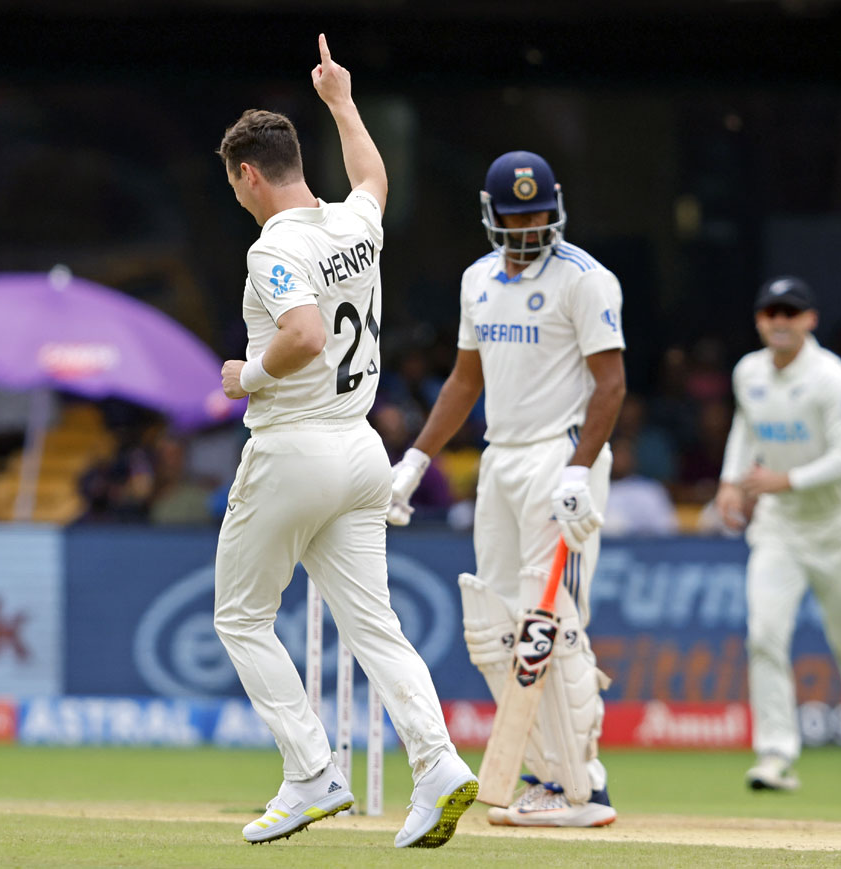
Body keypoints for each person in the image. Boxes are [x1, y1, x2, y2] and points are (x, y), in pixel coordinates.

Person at [212, 34, 476, 849]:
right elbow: (373, 178)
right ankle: (435, 765)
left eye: (232, 181)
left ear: (249, 174)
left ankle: (311, 773)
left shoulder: (275, 246)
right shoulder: (353, 222)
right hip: (362, 448)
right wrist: (341, 101)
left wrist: (246, 376)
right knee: (377, 627)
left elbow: (302, 333)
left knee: (241, 617)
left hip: (294, 444)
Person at [389, 149, 626, 827]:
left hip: (562, 456)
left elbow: (610, 384)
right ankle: (548, 776)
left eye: (539, 213)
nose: (528, 228)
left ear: (557, 210)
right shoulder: (477, 280)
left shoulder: (586, 280)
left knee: (549, 622)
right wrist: (415, 460)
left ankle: (585, 785)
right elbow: (466, 381)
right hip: (501, 459)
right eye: (516, 215)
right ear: (492, 216)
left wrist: (581, 467)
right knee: (494, 626)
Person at [715, 276, 841, 800]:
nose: (780, 321)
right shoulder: (748, 372)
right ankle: (776, 754)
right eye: (770, 312)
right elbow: (746, 427)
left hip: (837, 526)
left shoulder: (832, 379)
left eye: (790, 313)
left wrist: (782, 480)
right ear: (759, 320)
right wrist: (731, 479)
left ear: (810, 320)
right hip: (780, 526)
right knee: (764, 635)